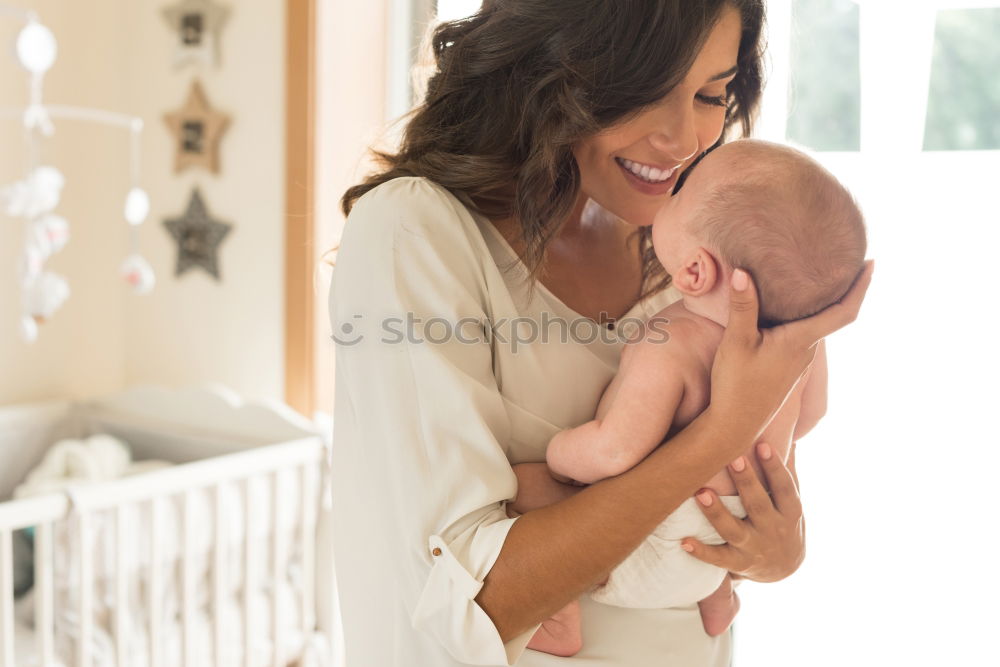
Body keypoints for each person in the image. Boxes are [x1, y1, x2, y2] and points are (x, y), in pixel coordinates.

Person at [327, 1, 874, 665]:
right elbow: (471, 600)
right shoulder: (416, 231)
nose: (681, 140)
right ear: (549, 68)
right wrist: (718, 436)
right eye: (643, 91)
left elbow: (744, 483)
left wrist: (775, 550)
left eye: (709, 94)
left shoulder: (691, 256)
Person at [511, 139, 867, 656]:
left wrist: (561, 454)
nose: (668, 190)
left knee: (524, 490)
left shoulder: (675, 341)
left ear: (696, 271)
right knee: (710, 506)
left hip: (654, 543)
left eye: (678, 192)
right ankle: (718, 597)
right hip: (730, 543)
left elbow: (615, 451)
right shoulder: (795, 356)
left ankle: (558, 617)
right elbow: (810, 417)